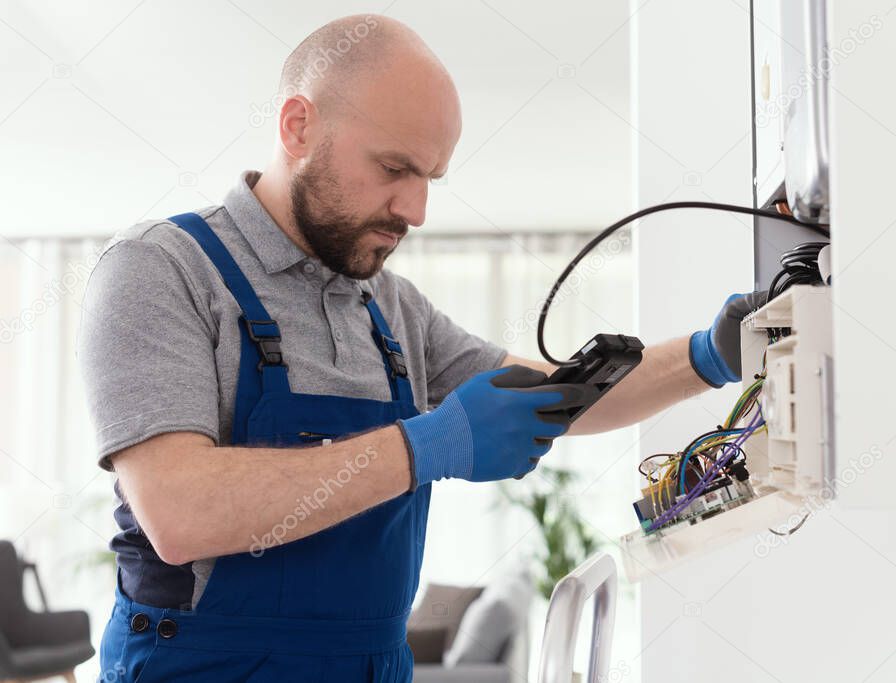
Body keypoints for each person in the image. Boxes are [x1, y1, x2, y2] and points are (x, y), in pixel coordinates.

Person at [78, 14, 764, 682]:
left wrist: (711, 353)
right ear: (298, 126)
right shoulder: (161, 269)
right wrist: (423, 447)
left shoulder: (391, 309)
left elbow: (558, 395)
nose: (415, 209)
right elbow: (178, 509)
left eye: (430, 177)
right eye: (393, 167)